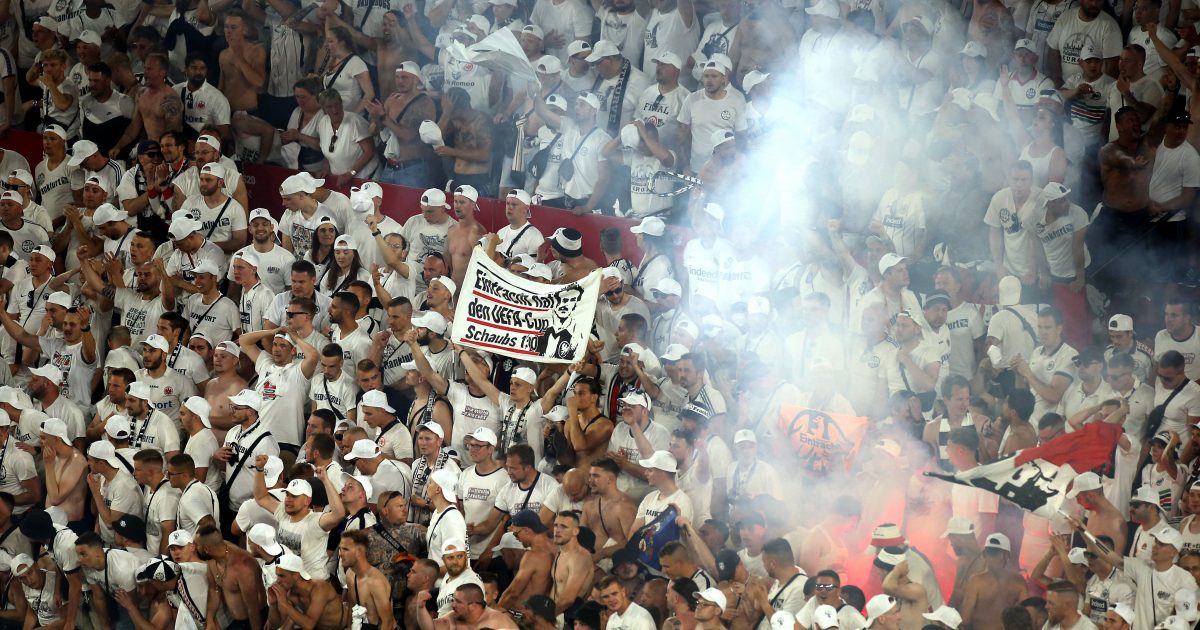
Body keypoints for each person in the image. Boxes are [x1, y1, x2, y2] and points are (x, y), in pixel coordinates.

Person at [961, 534, 1029, 630]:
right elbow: (1026, 615)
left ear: (984, 554)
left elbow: (965, 619)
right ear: (1007, 556)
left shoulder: (976, 582)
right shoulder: (1018, 581)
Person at [268, 553, 347, 630]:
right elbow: (275, 625)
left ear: (296, 575)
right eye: (277, 575)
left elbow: (309, 625)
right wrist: (273, 604)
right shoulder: (290, 595)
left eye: (282, 576)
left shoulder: (320, 588)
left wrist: (284, 603)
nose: (278, 581)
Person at [340, 529, 396, 630]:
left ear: (359, 552)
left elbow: (387, 622)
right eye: (340, 549)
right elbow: (351, 606)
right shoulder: (350, 574)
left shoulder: (376, 582)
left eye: (345, 549)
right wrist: (349, 627)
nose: (340, 554)